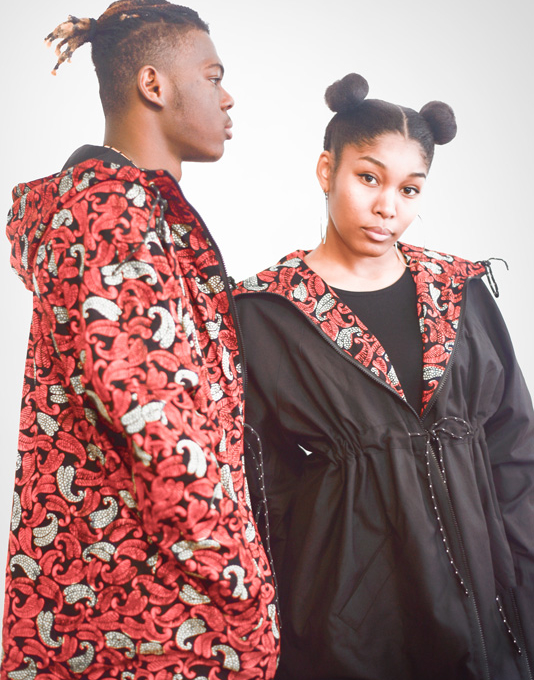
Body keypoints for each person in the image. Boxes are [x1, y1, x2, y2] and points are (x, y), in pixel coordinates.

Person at [2, 2, 280, 678]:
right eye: (213, 76)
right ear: (153, 84)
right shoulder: (109, 214)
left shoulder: (131, 210)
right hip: (153, 628)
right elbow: (159, 423)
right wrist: (243, 585)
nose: (227, 97)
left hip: (132, 614)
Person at [235, 73, 534, 680]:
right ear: (327, 170)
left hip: (486, 607)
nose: (387, 207)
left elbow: (515, 449)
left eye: (410, 188)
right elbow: (258, 489)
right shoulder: (265, 312)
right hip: (348, 622)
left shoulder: (460, 291)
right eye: (369, 178)